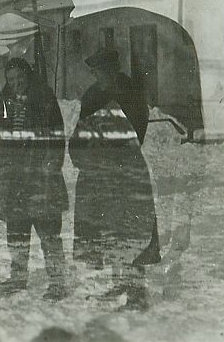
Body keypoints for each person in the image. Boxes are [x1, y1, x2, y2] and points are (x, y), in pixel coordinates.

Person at [70, 47, 160, 311]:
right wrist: (82, 151)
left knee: (130, 229)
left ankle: (137, 293)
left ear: (112, 70)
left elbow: (138, 130)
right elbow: (81, 129)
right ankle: (119, 281)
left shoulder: (130, 92)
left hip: (125, 172)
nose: (96, 76)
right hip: (99, 175)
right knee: (107, 230)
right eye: (94, 72)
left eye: (99, 71)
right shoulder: (92, 95)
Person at [0, 57, 69, 302]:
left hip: (41, 177)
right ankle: (17, 278)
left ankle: (57, 282)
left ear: (29, 76)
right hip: (15, 179)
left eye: (20, 78)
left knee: (48, 232)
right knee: (16, 232)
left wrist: (51, 168)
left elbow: (57, 137)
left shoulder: (44, 99)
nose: (16, 83)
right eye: (11, 79)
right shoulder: (4, 102)